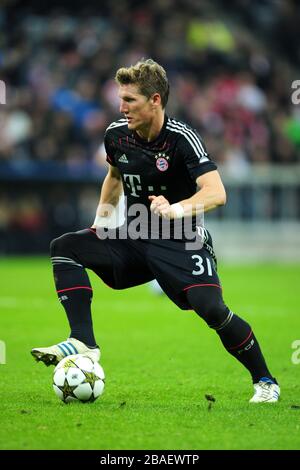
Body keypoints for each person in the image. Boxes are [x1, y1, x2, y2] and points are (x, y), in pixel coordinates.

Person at [31, 59, 280, 403]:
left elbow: (216, 193)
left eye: (130, 100)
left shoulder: (182, 139)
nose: (122, 107)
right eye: (121, 99)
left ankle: (265, 381)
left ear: (155, 101)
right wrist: (101, 223)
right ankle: (83, 341)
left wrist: (174, 208)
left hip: (181, 240)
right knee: (65, 246)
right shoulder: (116, 135)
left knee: (211, 309)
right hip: (132, 237)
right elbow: (115, 177)